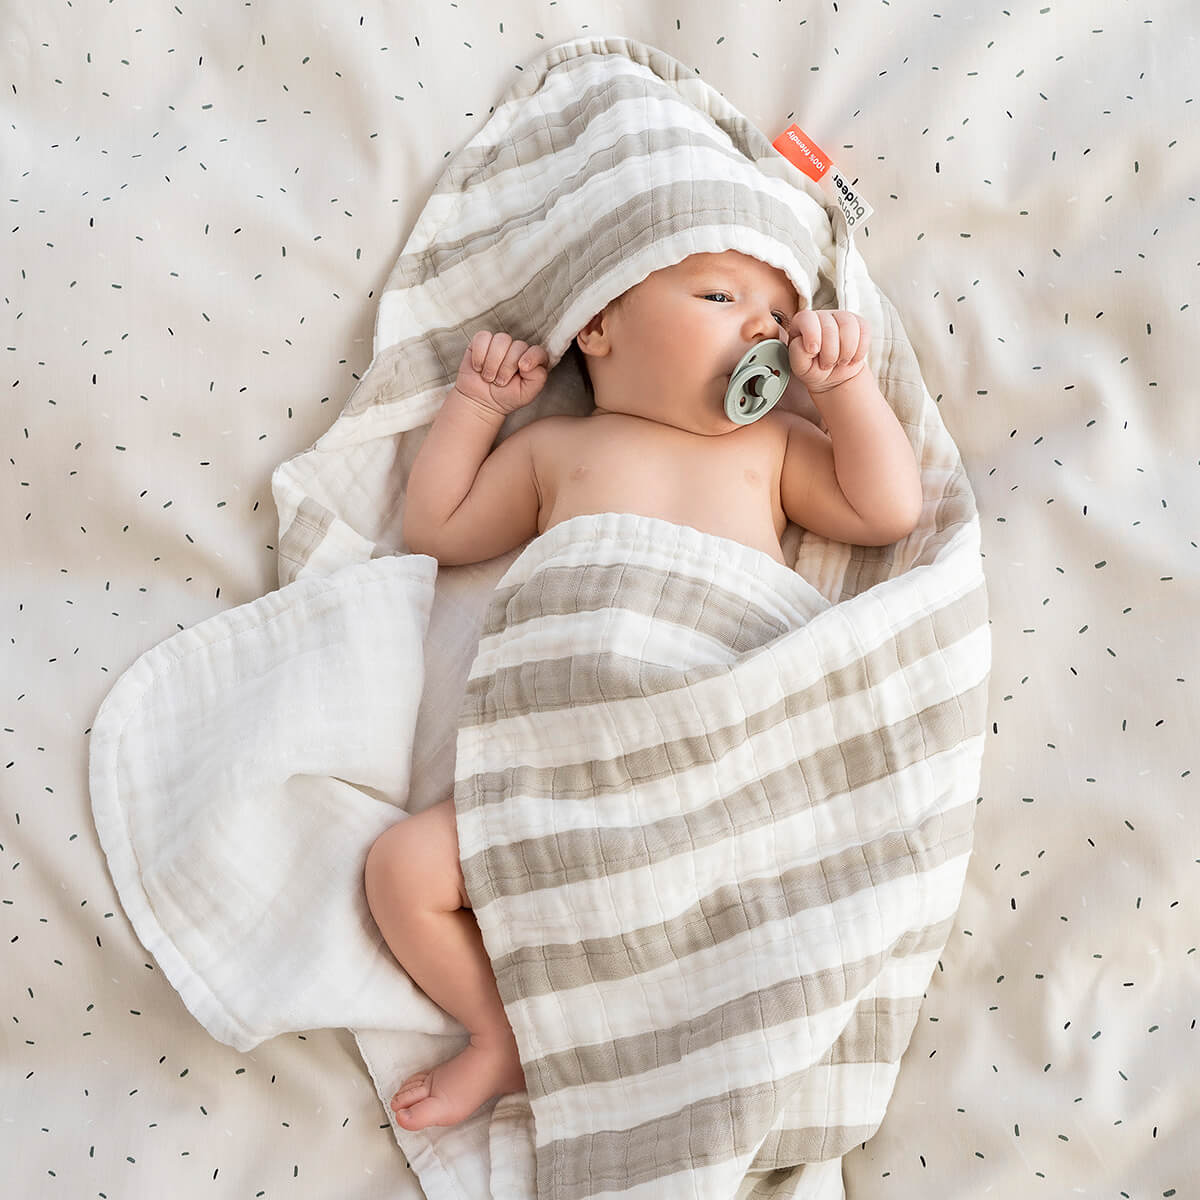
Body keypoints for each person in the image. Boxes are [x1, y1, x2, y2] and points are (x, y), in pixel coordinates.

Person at [363, 249, 923, 1131]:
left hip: (713, 764)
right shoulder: (555, 448)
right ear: (599, 326)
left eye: (781, 316)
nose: (762, 329)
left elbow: (884, 509)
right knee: (401, 870)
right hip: (561, 773)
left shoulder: (772, 446)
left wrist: (847, 388)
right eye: (718, 295)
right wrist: (476, 409)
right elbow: (439, 526)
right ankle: (498, 1031)